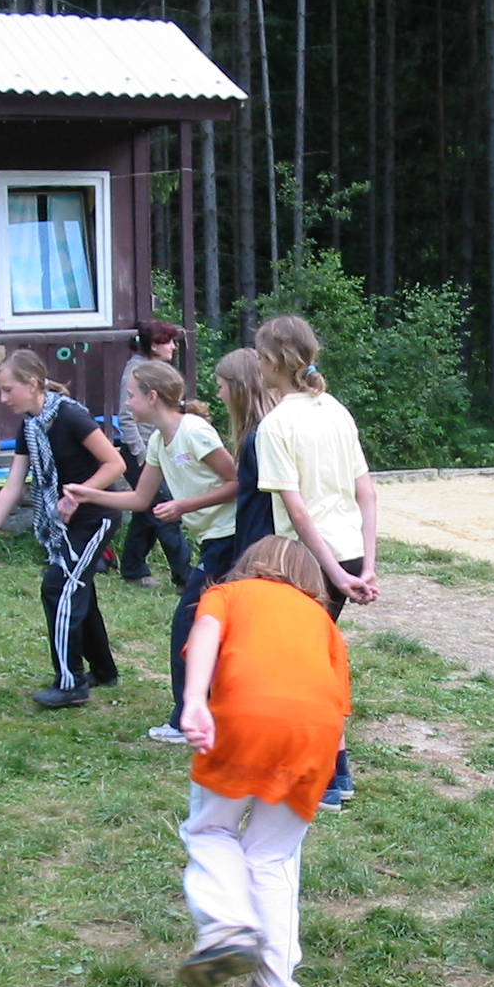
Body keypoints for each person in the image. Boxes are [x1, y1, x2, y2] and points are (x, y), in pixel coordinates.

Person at [174, 536, 350, 987]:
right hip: (314, 736)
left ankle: (228, 924)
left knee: (211, 830)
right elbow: (339, 706)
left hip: (244, 719)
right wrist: (331, 773)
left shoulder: (227, 595)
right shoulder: (322, 620)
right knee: (272, 859)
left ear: (246, 566)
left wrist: (194, 699)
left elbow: (205, 632)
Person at [64, 360, 239, 744]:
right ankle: (216, 710)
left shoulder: (194, 432)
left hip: (232, 539)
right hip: (214, 540)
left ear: (152, 397)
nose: (127, 403)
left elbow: (238, 482)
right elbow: (141, 498)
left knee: (189, 624)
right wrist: (88, 493)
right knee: (214, 627)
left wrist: (184, 506)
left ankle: (185, 721)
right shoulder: (160, 441)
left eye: (131, 395)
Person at [254, 314, 378, 811]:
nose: (257, 364)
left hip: (307, 560)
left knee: (300, 672)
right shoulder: (335, 410)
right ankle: (335, 774)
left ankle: (322, 778)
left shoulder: (276, 424)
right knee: (315, 664)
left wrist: (338, 574)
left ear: (272, 360)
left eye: (259, 356)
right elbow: (366, 493)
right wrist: (364, 565)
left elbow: (298, 511)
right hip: (344, 552)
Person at [0, 350, 126, 707]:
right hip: (65, 521)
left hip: (96, 516)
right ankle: (103, 670)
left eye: (8, 390)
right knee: (76, 587)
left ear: (32, 384)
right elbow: (12, 486)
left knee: (59, 586)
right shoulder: (31, 425)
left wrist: (78, 495)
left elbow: (115, 463)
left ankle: (71, 684)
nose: (3, 399)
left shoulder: (71, 416)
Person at [117, 320, 193, 590]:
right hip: (140, 454)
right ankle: (186, 577)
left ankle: (132, 568)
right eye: (167, 341)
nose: (173, 347)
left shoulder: (154, 369)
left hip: (156, 452)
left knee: (147, 512)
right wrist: (141, 456)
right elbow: (126, 419)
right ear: (152, 345)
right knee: (165, 511)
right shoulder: (136, 372)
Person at [215, 347, 278, 558]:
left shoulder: (258, 439)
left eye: (221, 387)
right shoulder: (265, 433)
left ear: (239, 389)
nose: (219, 395)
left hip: (262, 548)